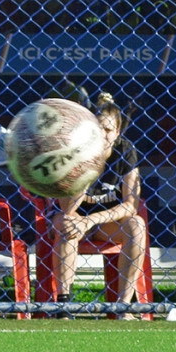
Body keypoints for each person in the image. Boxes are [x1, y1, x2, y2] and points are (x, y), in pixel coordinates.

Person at [52, 93, 146, 319]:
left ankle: (124, 305)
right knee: (66, 223)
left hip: (106, 223)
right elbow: (66, 208)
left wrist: (91, 220)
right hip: (73, 217)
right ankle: (64, 305)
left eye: (107, 129)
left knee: (137, 225)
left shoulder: (125, 150)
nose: (102, 135)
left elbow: (130, 205)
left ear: (117, 132)